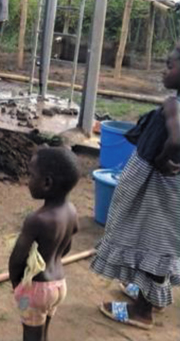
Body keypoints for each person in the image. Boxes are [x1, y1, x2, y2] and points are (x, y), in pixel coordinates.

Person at [91, 42, 180, 331]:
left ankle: (142, 311)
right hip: (170, 188)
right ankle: (150, 295)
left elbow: (176, 141)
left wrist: (167, 159)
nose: (164, 70)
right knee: (161, 243)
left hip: (158, 186)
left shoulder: (174, 105)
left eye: (170, 65)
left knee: (150, 242)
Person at [9, 147, 80, 341]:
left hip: (35, 290)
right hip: (59, 286)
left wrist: (16, 283)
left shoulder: (37, 219)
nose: (27, 180)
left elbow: (17, 258)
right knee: (43, 332)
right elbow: (66, 248)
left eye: (31, 175)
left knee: (31, 334)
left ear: (47, 183)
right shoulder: (72, 211)